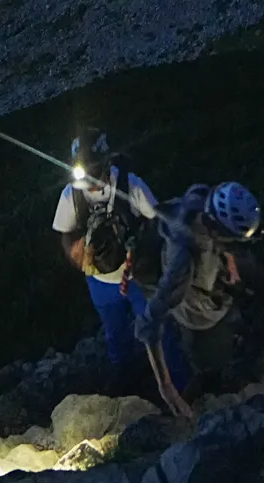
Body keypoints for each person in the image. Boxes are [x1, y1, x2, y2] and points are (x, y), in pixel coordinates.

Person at [51, 136, 188, 399]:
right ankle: (126, 382)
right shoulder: (70, 195)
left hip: (137, 276)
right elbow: (64, 233)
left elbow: (157, 220)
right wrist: (73, 253)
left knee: (159, 331)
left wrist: (145, 254)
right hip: (100, 280)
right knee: (115, 334)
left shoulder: (129, 184)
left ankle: (180, 386)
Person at [133, 179, 262, 405]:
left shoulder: (200, 197)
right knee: (213, 366)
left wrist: (230, 264)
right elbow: (150, 321)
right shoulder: (183, 261)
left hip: (211, 278)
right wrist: (166, 386)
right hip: (198, 315)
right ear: (218, 229)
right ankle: (201, 398)